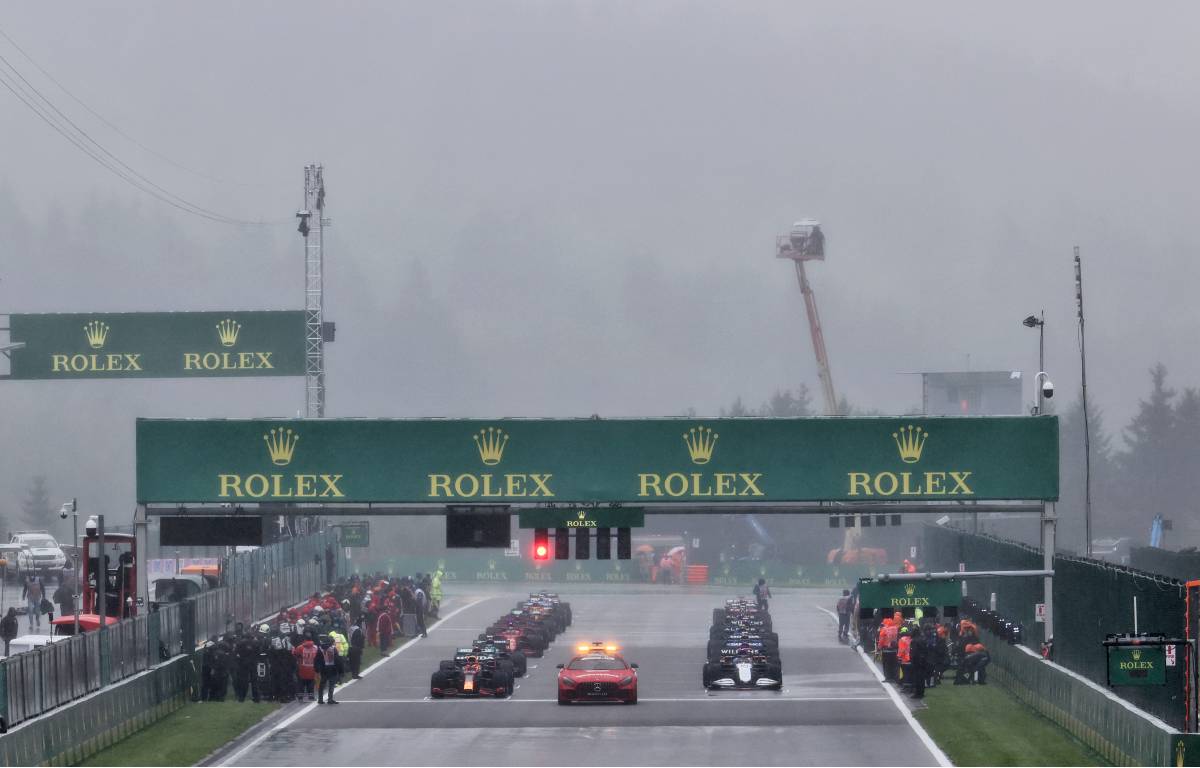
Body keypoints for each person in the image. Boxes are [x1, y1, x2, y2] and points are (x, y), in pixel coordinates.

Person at [314, 634, 342, 704]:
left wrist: (317, 668)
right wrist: (340, 669)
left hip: (324, 668)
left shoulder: (319, 649)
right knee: (331, 684)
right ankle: (330, 699)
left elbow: (317, 660)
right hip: (332, 668)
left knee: (322, 684)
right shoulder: (333, 648)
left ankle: (320, 699)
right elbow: (337, 660)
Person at [293, 633, 318, 701]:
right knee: (311, 682)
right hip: (312, 668)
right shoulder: (315, 647)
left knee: (301, 682)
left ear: (304, 639)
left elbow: (295, 654)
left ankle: (300, 697)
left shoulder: (300, 647)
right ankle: (311, 696)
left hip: (302, 668)